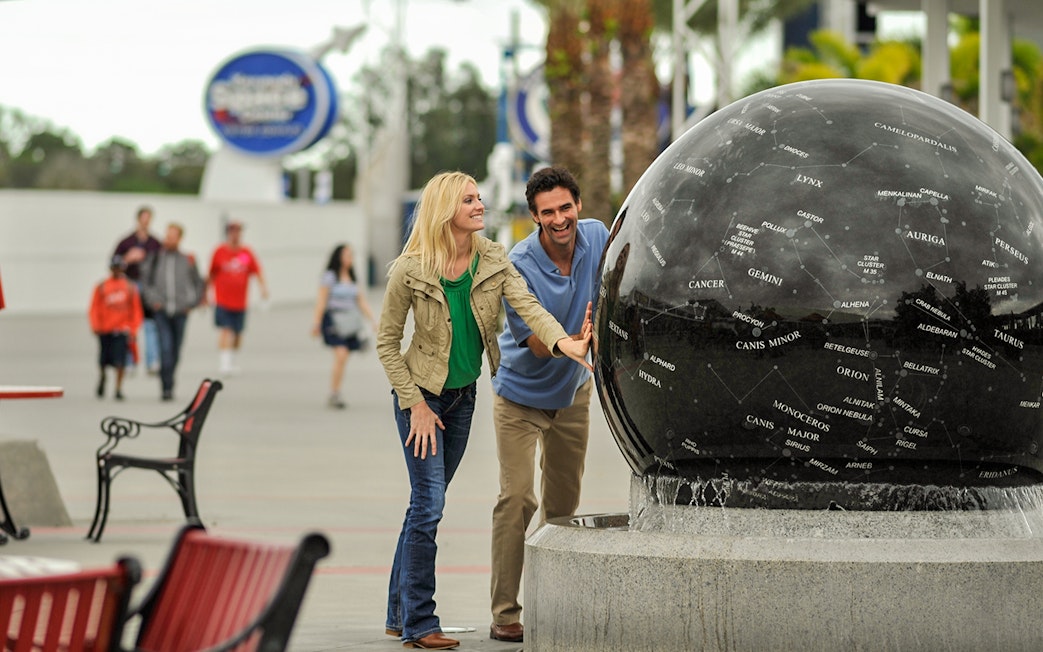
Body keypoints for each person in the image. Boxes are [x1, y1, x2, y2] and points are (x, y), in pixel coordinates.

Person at [376, 171, 593, 650]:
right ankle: (419, 622)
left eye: (478, 198)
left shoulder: (492, 258)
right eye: (469, 199)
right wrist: (414, 404)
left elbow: (529, 306)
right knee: (428, 506)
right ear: (445, 209)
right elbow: (386, 343)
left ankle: (397, 611)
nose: (480, 205)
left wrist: (563, 342)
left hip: (462, 398)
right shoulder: (409, 269)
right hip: (422, 399)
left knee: (423, 507)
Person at [488, 166, 610, 643]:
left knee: (562, 509)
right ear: (536, 218)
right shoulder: (519, 263)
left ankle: (550, 602)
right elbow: (537, 344)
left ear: (577, 205)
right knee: (517, 498)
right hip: (520, 397)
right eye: (547, 213)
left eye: (565, 208)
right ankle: (504, 612)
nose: (559, 219)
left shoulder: (597, 235)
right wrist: (572, 342)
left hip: (572, 395)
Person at [140, 223, 205, 401]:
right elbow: (145, 282)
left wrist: (192, 303)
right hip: (161, 311)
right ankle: (166, 386)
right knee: (165, 347)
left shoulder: (187, 259)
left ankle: (170, 378)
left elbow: (199, 283)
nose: (168, 239)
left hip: (180, 311)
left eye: (172, 236)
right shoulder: (156, 258)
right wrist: (153, 301)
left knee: (176, 349)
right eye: (167, 236)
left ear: (179, 238)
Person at [310, 243, 377, 409]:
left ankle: (336, 389)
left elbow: (361, 301)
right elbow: (321, 300)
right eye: (347, 255)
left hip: (350, 321)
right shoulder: (330, 277)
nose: (350, 258)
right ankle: (335, 392)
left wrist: (373, 319)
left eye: (351, 255)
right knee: (341, 354)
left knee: (344, 357)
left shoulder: (353, 278)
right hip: (334, 320)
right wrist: (316, 322)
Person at [206, 220, 269, 376]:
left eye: (238, 231)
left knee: (238, 333)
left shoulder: (246, 253)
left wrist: (263, 289)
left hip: (240, 301)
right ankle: (224, 362)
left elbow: (256, 271)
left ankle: (232, 358)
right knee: (226, 330)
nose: (235, 234)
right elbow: (211, 274)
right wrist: (205, 293)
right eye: (232, 231)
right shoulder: (219, 252)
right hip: (222, 299)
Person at [112, 205, 162, 374]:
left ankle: (152, 361)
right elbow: (113, 264)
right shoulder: (126, 242)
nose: (145, 223)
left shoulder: (155, 243)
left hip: (148, 287)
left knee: (150, 325)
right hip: (130, 286)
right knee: (129, 326)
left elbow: (162, 266)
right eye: (143, 219)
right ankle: (129, 361)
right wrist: (128, 258)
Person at [88, 255, 144, 401]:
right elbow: (94, 307)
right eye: (114, 268)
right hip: (105, 329)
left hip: (122, 330)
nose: (117, 271)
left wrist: (133, 328)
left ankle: (118, 388)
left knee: (120, 361)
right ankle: (103, 377)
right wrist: (95, 325)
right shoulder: (101, 286)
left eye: (119, 268)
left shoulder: (130, 287)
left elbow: (136, 310)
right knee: (103, 360)